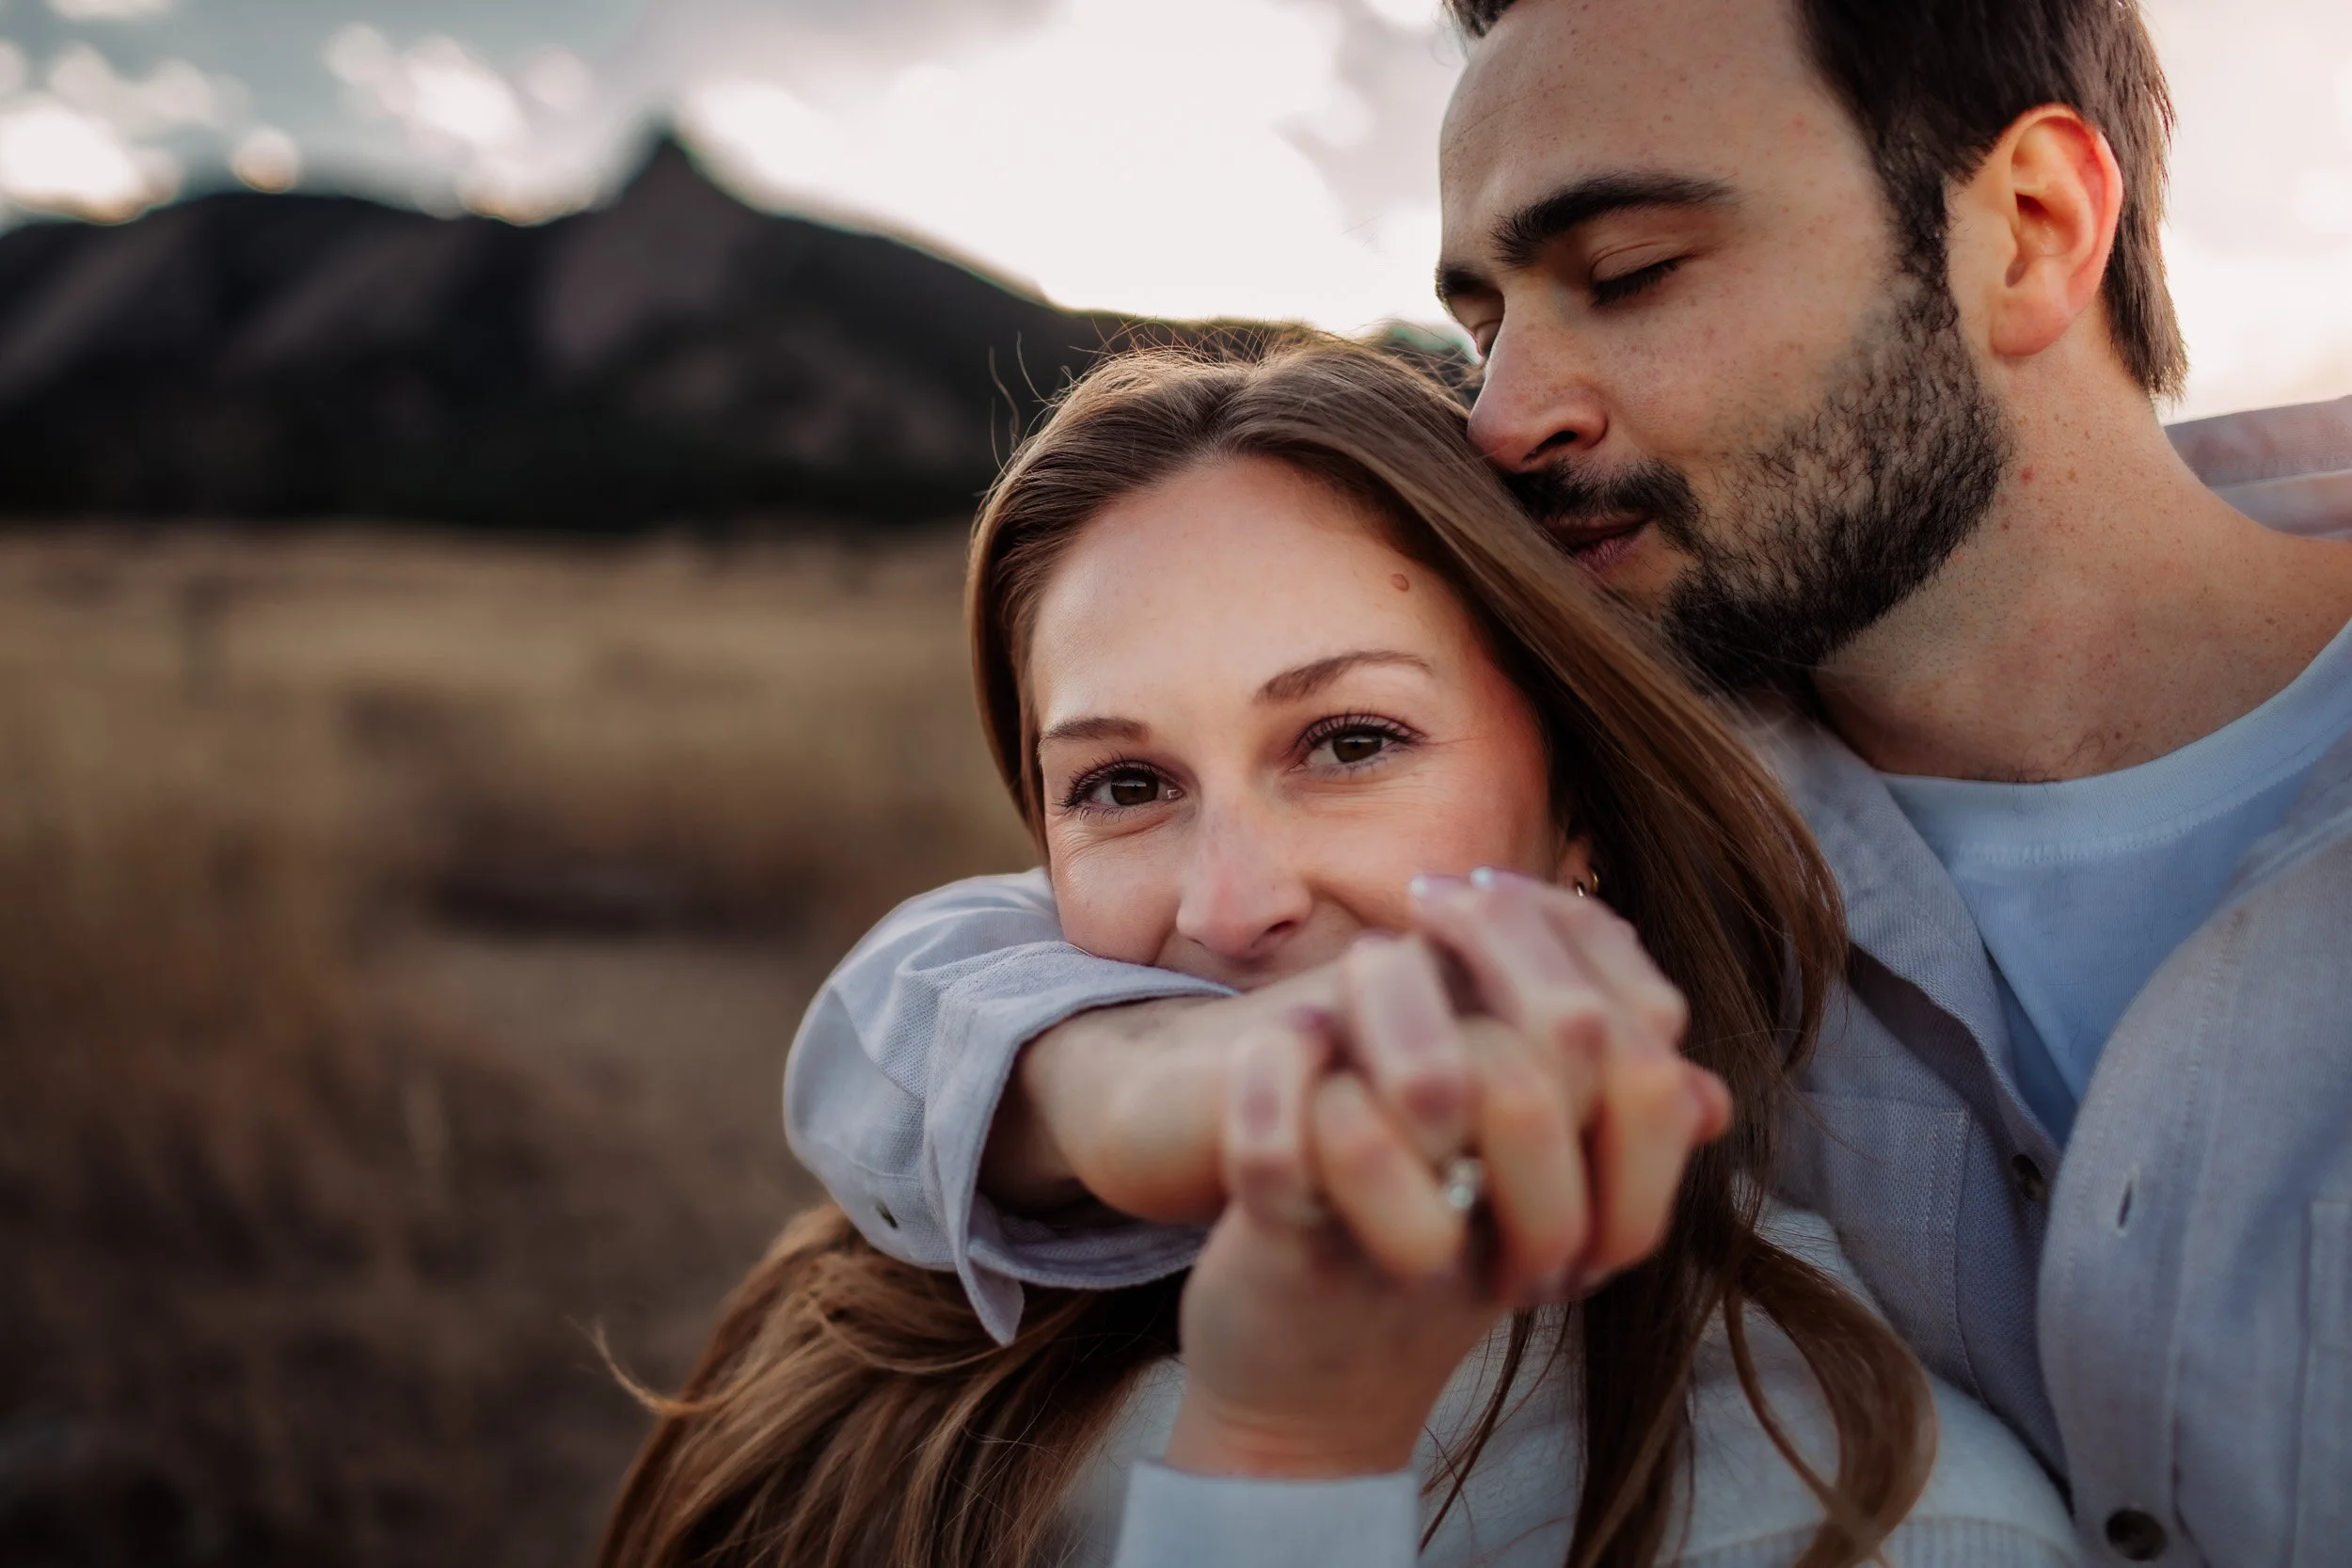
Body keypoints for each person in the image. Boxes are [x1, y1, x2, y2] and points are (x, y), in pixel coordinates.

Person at [783, 1, 2352, 1563]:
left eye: (1627, 275)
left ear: (2031, 226)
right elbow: (941, 988)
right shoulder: (1628, 769)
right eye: (1485, 325)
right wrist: (1137, 1089)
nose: (1506, 416)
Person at [606, 337, 2078, 1568]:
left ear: (1582, 808)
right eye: (1125, 783)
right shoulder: (945, 1239)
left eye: (1350, 741)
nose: (1229, 903)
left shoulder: (1864, 1510)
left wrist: (1288, 1461)